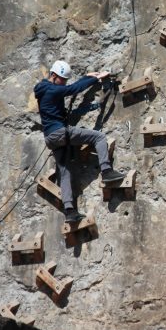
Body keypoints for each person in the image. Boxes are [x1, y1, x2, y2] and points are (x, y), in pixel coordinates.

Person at [34, 60, 125, 222]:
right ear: (54, 75)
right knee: (99, 137)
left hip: (50, 138)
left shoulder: (44, 89)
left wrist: (87, 76)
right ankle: (106, 171)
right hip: (60, 132)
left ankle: (69, 211)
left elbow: (72, 86)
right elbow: (73, 89)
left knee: (64, 171)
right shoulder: (53, 90)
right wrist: (96, 79)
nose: (64, 82)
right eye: (62, 79)